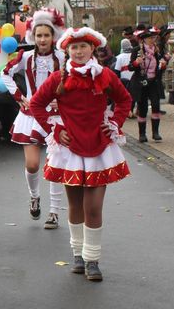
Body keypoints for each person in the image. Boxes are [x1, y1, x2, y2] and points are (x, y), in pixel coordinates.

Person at [30, 27, 132, 281]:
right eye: (73, 48)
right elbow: (36, 104)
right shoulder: (58, 78)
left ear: (92, 50)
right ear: (67, 51)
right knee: (75, 204)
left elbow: (125, 100)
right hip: (70, 149)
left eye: (83, 47)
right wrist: (54, 129)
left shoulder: (105, 75)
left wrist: (114, 124)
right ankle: (78, 255)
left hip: (99, 147)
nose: (78, 51)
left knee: (93, 207)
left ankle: (92, 259)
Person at [0, 9, 65, 229]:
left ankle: (54, 212)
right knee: (33, 163)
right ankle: (34, 196)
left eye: (47, 35)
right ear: (33, 37)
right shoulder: (26, 57)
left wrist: (63, 100)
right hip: (31, 114)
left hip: (56, 116)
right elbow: (5, 73)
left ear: (53, 36)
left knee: (55, 164)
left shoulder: (62, 58)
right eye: (39, 35)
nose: (43, 39)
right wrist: (20, 97)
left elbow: (74, 81)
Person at [130, 26, 167, 142]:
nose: (152, 40)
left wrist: (163, 65)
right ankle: (142, 134)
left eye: (153, 38)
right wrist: (136, 63)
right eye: (150, 38)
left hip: (153, 82)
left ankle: (155, 133)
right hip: (141, 82)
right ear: (143, 40)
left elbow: (160, 66)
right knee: (143, 107)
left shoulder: (156, 50)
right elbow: (131, 67)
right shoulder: (137, 50)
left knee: (156, 105)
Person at [114, 39, 136, 119]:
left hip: (124, 80)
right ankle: (131, 111)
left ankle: (126, 112)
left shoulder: (119, 57)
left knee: (125, 97)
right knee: (133, 97)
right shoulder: (134, 55)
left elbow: (117, 71)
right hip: (134, 78)